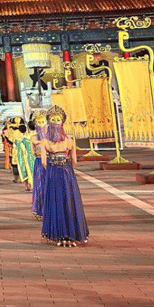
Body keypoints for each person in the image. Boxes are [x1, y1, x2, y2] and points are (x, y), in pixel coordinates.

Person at [40, 105, 89, 247]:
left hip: (53, 173)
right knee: (70, 201)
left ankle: (59, 235)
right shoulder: (69, 140)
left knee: (56, 202)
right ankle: (74, 234)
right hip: (67, 173)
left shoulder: (45, 141)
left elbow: (44, 162)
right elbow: (74, 161)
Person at [30, 112, 48, 219]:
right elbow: (33, 152)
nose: (41, 124)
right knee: (40, 186)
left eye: (43, 122)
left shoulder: (52, 136)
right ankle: (40, 209)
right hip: (39, 163)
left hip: (50, 163)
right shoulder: (33, 138)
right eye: (39, 122)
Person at [14, 123, 34, 192]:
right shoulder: (29, 138)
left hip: (21, 157)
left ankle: (26, 186)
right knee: (31, 171)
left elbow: (15, 147)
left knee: (23, 170)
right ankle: (30, 185)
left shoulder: (18, 139)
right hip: (31, 156)